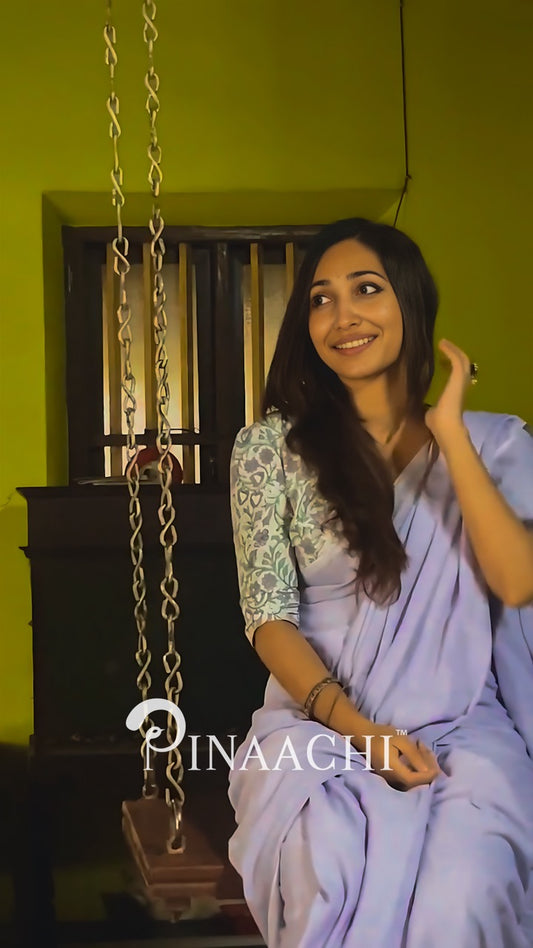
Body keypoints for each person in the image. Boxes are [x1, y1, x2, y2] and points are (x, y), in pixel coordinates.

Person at [227, 217, 533, 947]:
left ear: (411, 305)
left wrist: (449, 435)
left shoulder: (493, 442)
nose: (342, 316)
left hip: (459, 725)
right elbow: (268, 619)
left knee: (464, 892)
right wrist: (361, 734)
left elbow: (516, 583)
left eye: (366, 289)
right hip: (315, 727)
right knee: (325, 864)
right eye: (320, 299)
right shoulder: (268, 449)